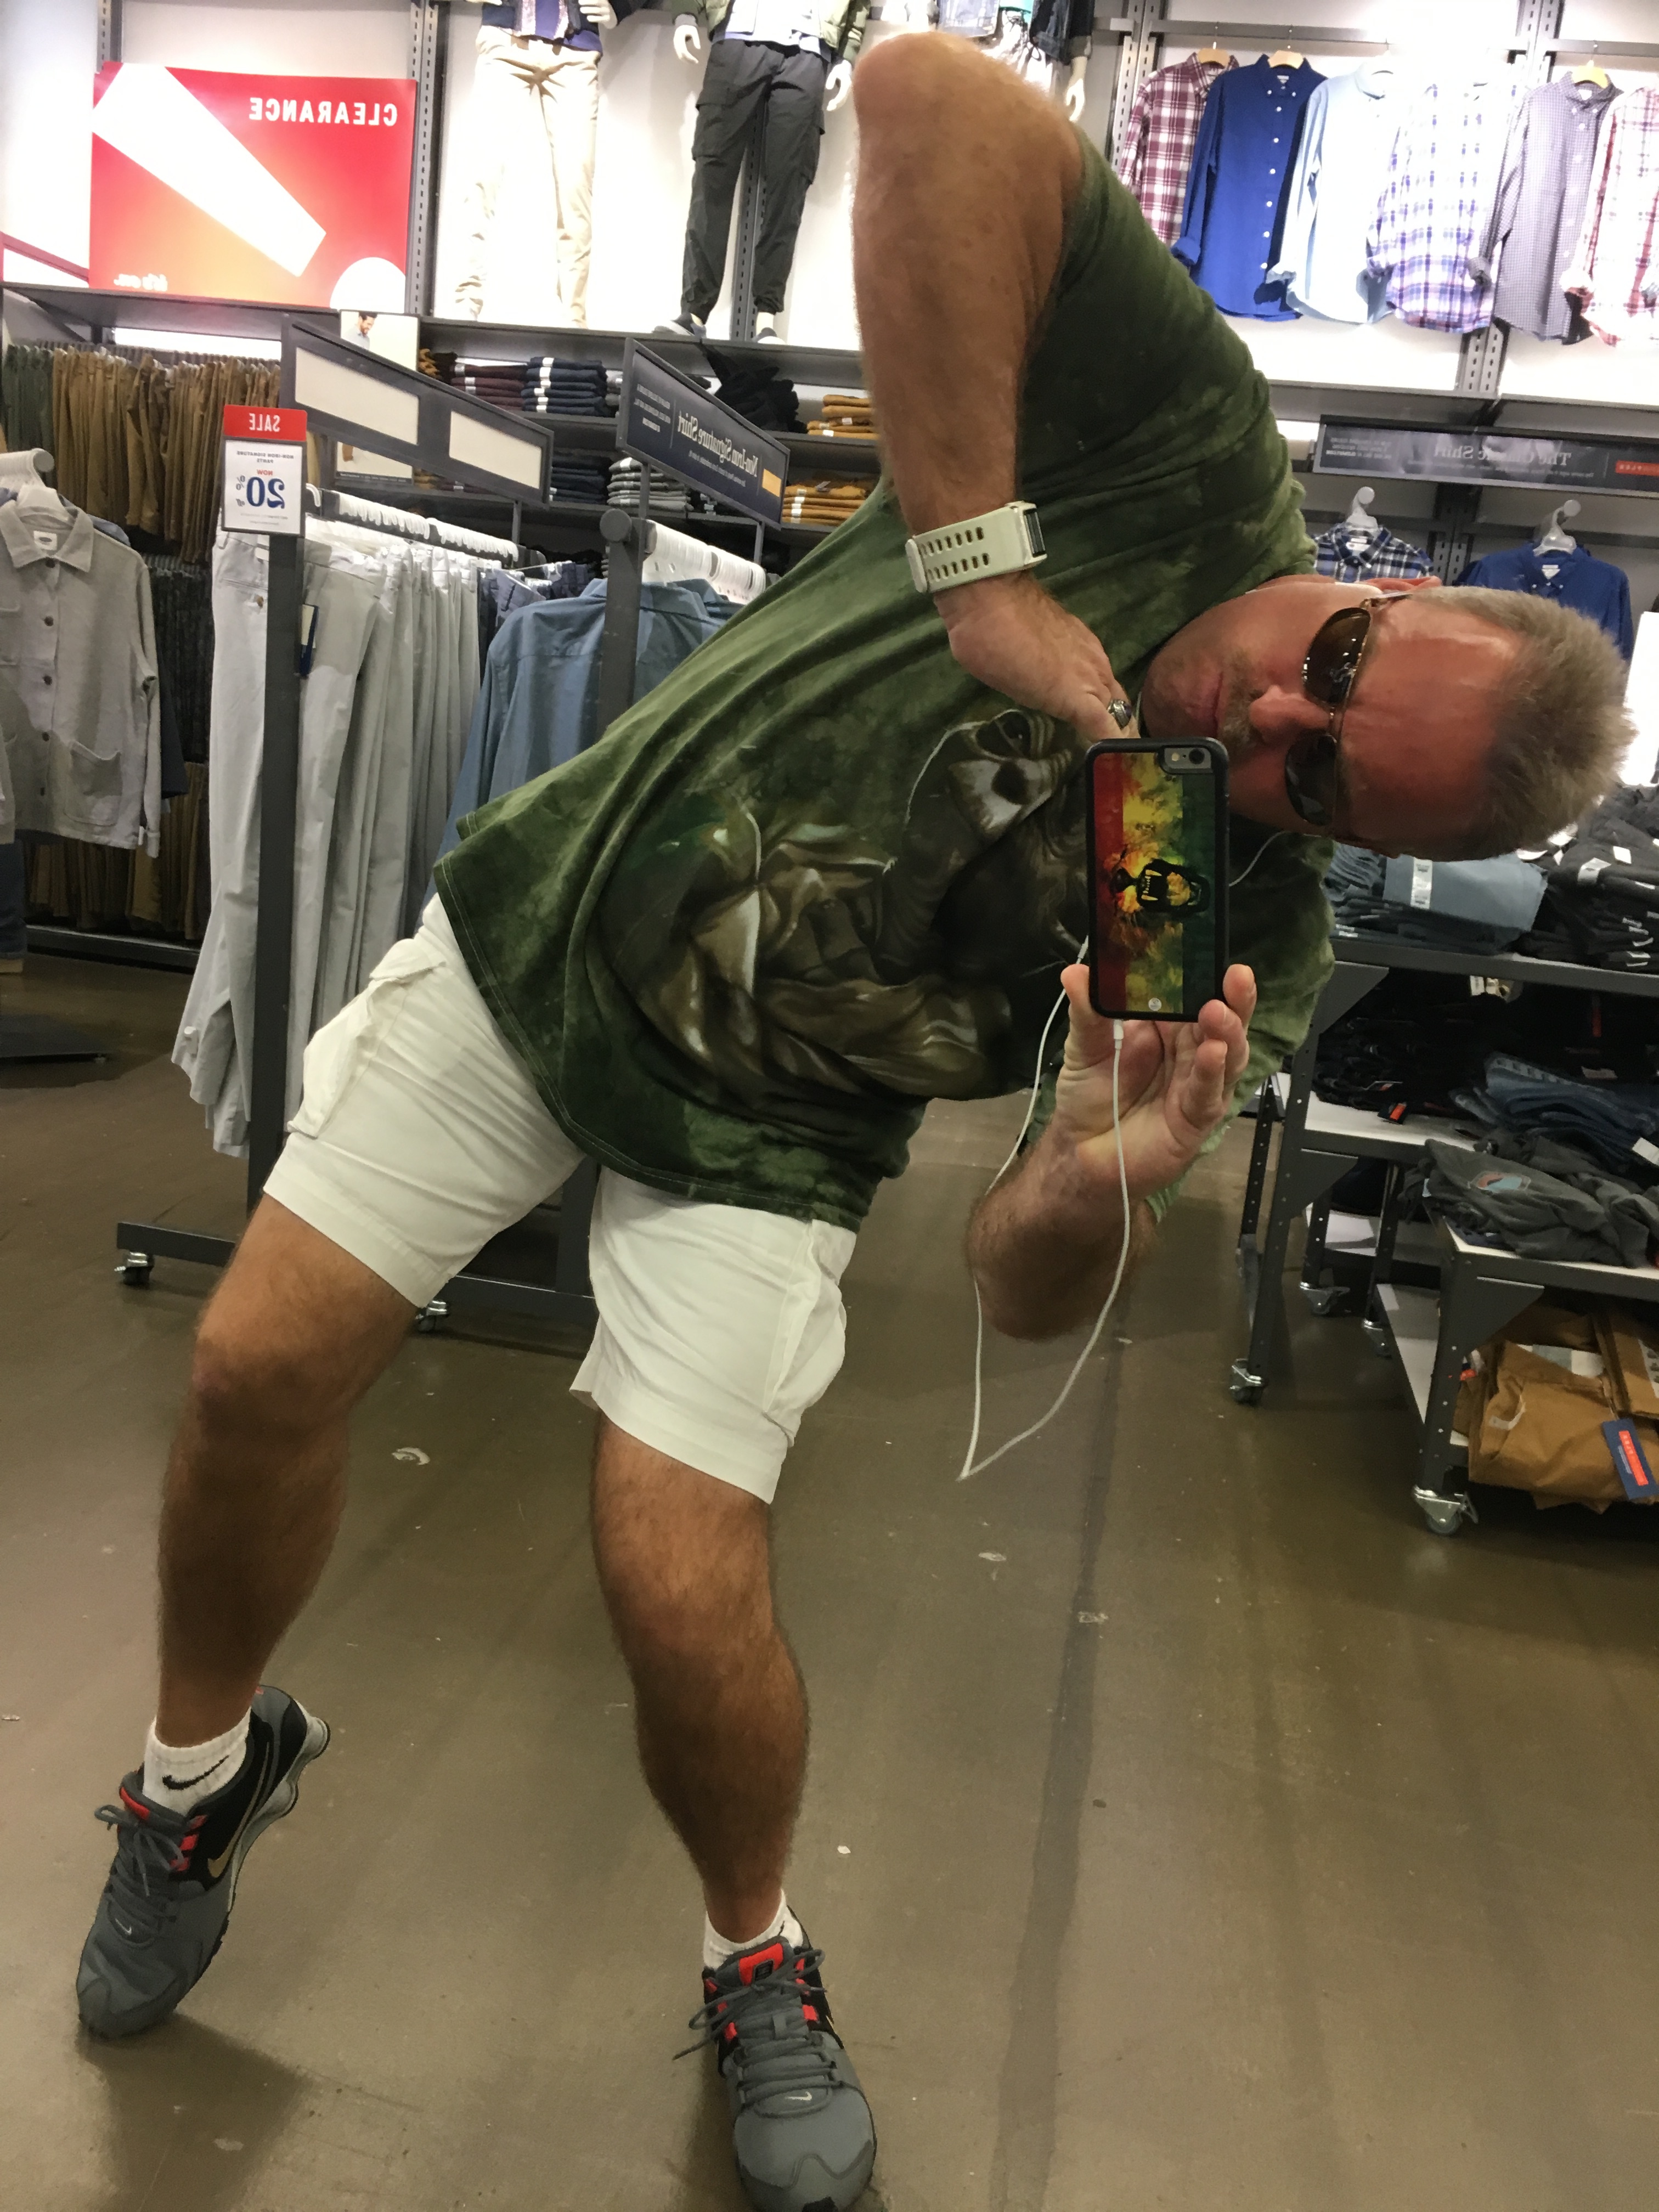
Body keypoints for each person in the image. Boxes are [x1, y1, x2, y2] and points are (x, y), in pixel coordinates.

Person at [75, 36, 1632, 2212]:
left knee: (678, 1572)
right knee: (253, 1368)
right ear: (1396, 579)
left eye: (1322, 772)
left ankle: (756, 1956)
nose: (1271, 712)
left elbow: (1020, 1285)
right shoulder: (1184, 449)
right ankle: (195, 1784)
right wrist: (983, 563)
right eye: (1346, 661)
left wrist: (1086, 1173)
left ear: (1352, 852)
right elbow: (919, 94)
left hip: (783, 1136)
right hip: (543, 940)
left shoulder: (1241, 926)